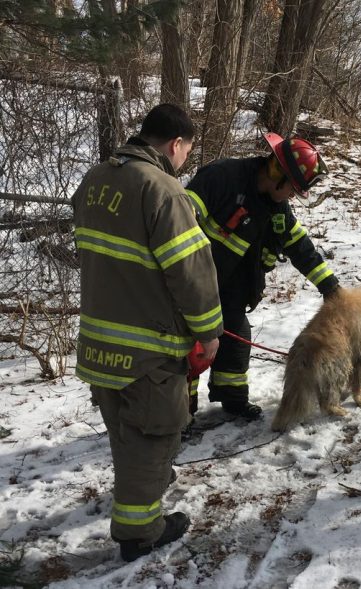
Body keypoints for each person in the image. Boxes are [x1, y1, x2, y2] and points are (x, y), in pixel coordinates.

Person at [72, 104, 223, 561]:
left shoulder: (94, 180)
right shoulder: (163, 190)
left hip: (99, 343)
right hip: (147, 349)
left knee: (123, 429)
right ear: (176, 144)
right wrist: (210, 331)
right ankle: (140, 533)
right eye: (186, 153)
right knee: (152, 435)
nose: (183, 163)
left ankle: (142, 494)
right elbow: (191, 272)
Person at [185, 132, 340, 420]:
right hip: (194, 285)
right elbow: (178, 216)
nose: (292, 196)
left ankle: (232, 399)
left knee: (237, 340)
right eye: (292, 189)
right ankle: (179, 413)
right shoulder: (223, 177)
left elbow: (300, 247)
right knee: (191, 351)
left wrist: (330, 286)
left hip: (233, 290)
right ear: (276, 173)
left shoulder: (277, 209)